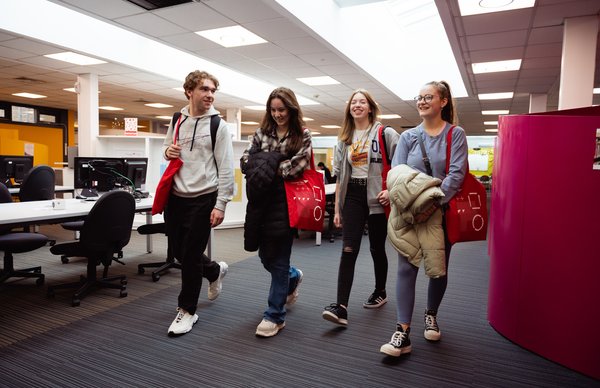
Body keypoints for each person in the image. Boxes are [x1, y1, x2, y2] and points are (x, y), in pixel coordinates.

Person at [379, 80, 468, 357]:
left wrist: (432, 203)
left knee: (437, 265)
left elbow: (456, 175)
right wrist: (404, 198)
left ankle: (431, 314)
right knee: (406, 268)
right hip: (409, 213)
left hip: (441, 212)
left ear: (443, 102)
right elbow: (397, 173)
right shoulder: (408, 137)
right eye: (419, 97)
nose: (422, 101)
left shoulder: (456, 135)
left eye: (428, 97)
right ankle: (402, 332)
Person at [163, 70, 234, 336]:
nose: (210, 95)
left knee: (191, 257)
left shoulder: (219, 126)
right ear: (189, 91)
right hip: (176, 197)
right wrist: (167, 151)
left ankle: (187, 311)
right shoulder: (177, 119)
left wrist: (222, 204)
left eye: (213, 90)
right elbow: (166, 147)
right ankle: (214, 271)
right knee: (179, 253)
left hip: (204, 198)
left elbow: (226, 168)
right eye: (205, 89)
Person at [322, 88, 399, 326]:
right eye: (353, 102)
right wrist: (337, 210)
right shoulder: (344, 139)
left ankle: (380, 291)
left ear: (370, 107)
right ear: (349, 108)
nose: (357, 105)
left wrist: (391, 191)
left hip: (378, 195)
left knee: (377, 248)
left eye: (362, 102)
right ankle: (341, 307)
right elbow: (340, 177)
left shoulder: (385, 133)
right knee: (348, 249)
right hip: (353, 196)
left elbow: (401, 167)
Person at [240, 87, 310, 338]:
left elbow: (297, 168)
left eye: (282, 109)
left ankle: (274, 315)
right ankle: (293, 277)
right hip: (261, 204)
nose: (278, 114)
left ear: (291, 109)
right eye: (273, 110)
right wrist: (272, 163)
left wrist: (265, 163)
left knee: (279, 259)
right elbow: (246, 162)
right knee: (265, 257)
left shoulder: (302, 134)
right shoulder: (261, 133)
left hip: (286, 204)